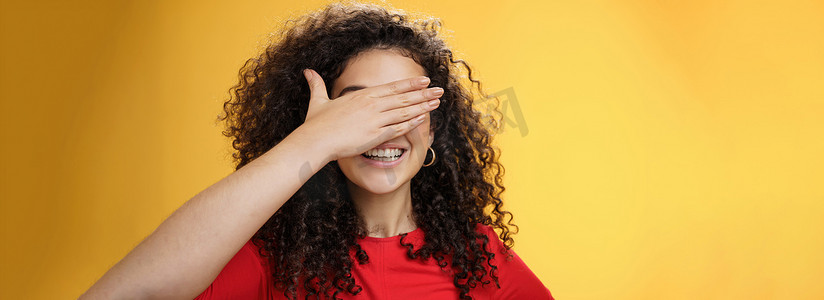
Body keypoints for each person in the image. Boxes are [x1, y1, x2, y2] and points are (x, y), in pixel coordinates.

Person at [81, 2, 553, 300]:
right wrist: (313, 144)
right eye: (358, 111)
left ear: (433, 131)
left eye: (402, 107)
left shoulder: (481, 259)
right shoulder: (277, 260)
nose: (381, 130)